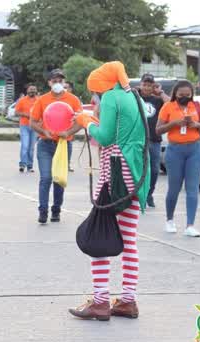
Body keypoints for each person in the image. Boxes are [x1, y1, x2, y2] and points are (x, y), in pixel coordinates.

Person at [70, 60, 150, 321]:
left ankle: (100, 301)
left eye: (94, 91)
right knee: (129, 242)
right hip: (136, 177)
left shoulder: (112, 98)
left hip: (115, 176)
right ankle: (128, 301)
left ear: (100, 87)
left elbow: (104, 138)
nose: (94, 96)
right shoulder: (132, 96)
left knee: (99, 238)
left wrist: (86, 121)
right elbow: (120, 132)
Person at [30, 69, 83, 224]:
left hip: (64, 145)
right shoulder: (42, 100)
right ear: (49, 83)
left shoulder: (73, 100)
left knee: (59, 179)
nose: (58, 84)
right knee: (46, 177)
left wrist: (69, 132)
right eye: (54, 81)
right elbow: (33, 122)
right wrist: (43, 131)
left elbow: (81, 121)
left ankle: (56, 209)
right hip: (45, 144)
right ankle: (43, 211)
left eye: (60, 81)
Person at [156, 80, 200, 237]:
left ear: (192, 94)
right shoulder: (168, 107)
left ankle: (190, 225)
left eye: (188, 94)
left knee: (192, 189)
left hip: (195, 150)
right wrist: (174, 123)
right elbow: (158, 130)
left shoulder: (197, 106)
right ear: (175, 94)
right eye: (181, 95)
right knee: (174, 188)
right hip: (175, 150)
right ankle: (169, 221)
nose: (184, 97)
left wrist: (196, 125)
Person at [138, 74, 170, 208]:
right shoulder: (134, 97)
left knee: (154, 170)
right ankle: (140, 196)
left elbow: (170, 104)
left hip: (154, 140)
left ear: (153, 86)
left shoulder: (157, 100)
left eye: (150, 85)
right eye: (144, 84)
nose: (146, 87)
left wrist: (161, 92)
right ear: (140, 84)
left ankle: (149, 194)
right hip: (138, 140)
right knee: (140, 169)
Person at [15, 84, 38, 172]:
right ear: (27, 91)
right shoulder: (22, 100)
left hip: (35, 126)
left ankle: (30, 165)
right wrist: (26, 115)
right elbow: (16, 112)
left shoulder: (39, 100)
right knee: (25, 145)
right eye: (30, 90)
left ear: (36, 91)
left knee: (31, 147)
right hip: (24, 125)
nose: (32, 91)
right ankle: (22, 164)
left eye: (34, 90)